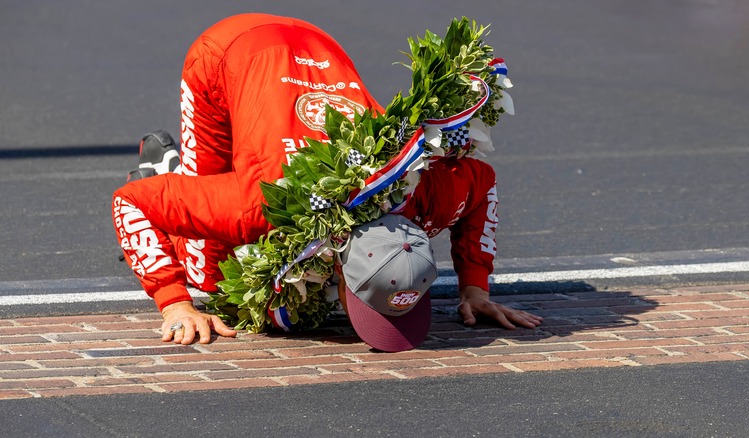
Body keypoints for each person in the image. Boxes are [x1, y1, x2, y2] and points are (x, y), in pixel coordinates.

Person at [112, 13, 542, 349]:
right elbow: (128, 202)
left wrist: (474, 288)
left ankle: (182, 187)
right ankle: (168, 170)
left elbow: (482, 183)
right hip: (229, 49)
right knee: (207, 274)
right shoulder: (259, 206)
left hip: (318, 45)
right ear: (339, 262)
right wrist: (174, 303)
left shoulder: (427, 191)